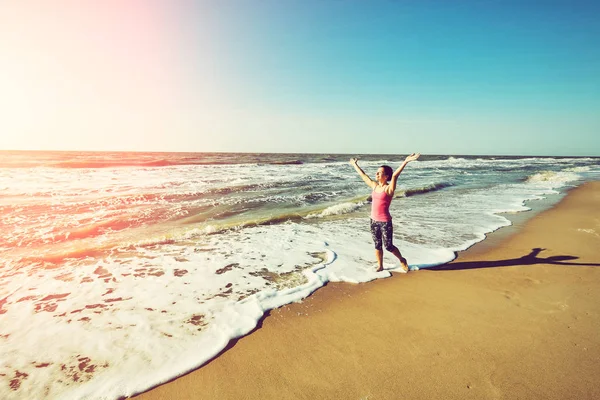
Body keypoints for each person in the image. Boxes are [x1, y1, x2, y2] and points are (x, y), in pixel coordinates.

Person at [349, 153, 421, 272]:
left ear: (386, 176)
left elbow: (395, 176)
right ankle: (380, 265)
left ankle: (402, 259)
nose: (376, 174)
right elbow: (363, 176)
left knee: (388, 246)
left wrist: (405, 161)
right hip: (373, 220)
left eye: (379, 172)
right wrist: (354, 164)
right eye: (377, 172)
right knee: (377, 245)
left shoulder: (389, 189)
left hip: (385, 222)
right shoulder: (375, 186)